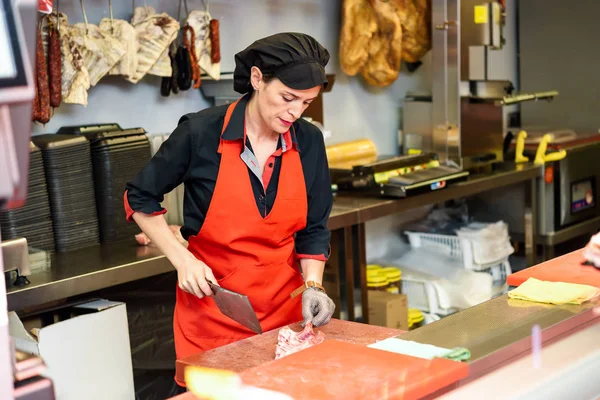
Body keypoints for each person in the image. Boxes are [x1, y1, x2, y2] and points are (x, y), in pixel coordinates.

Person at [123, 32, 336, 386]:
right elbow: (139, 197)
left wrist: (314, 286)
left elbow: (313, 229)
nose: (295, 112)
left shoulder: (308, 141)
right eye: (288, 98)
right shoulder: (200, 133)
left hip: (286, 320)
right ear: (256, 79)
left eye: (306, 103)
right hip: (211, 319)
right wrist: (183, 260)